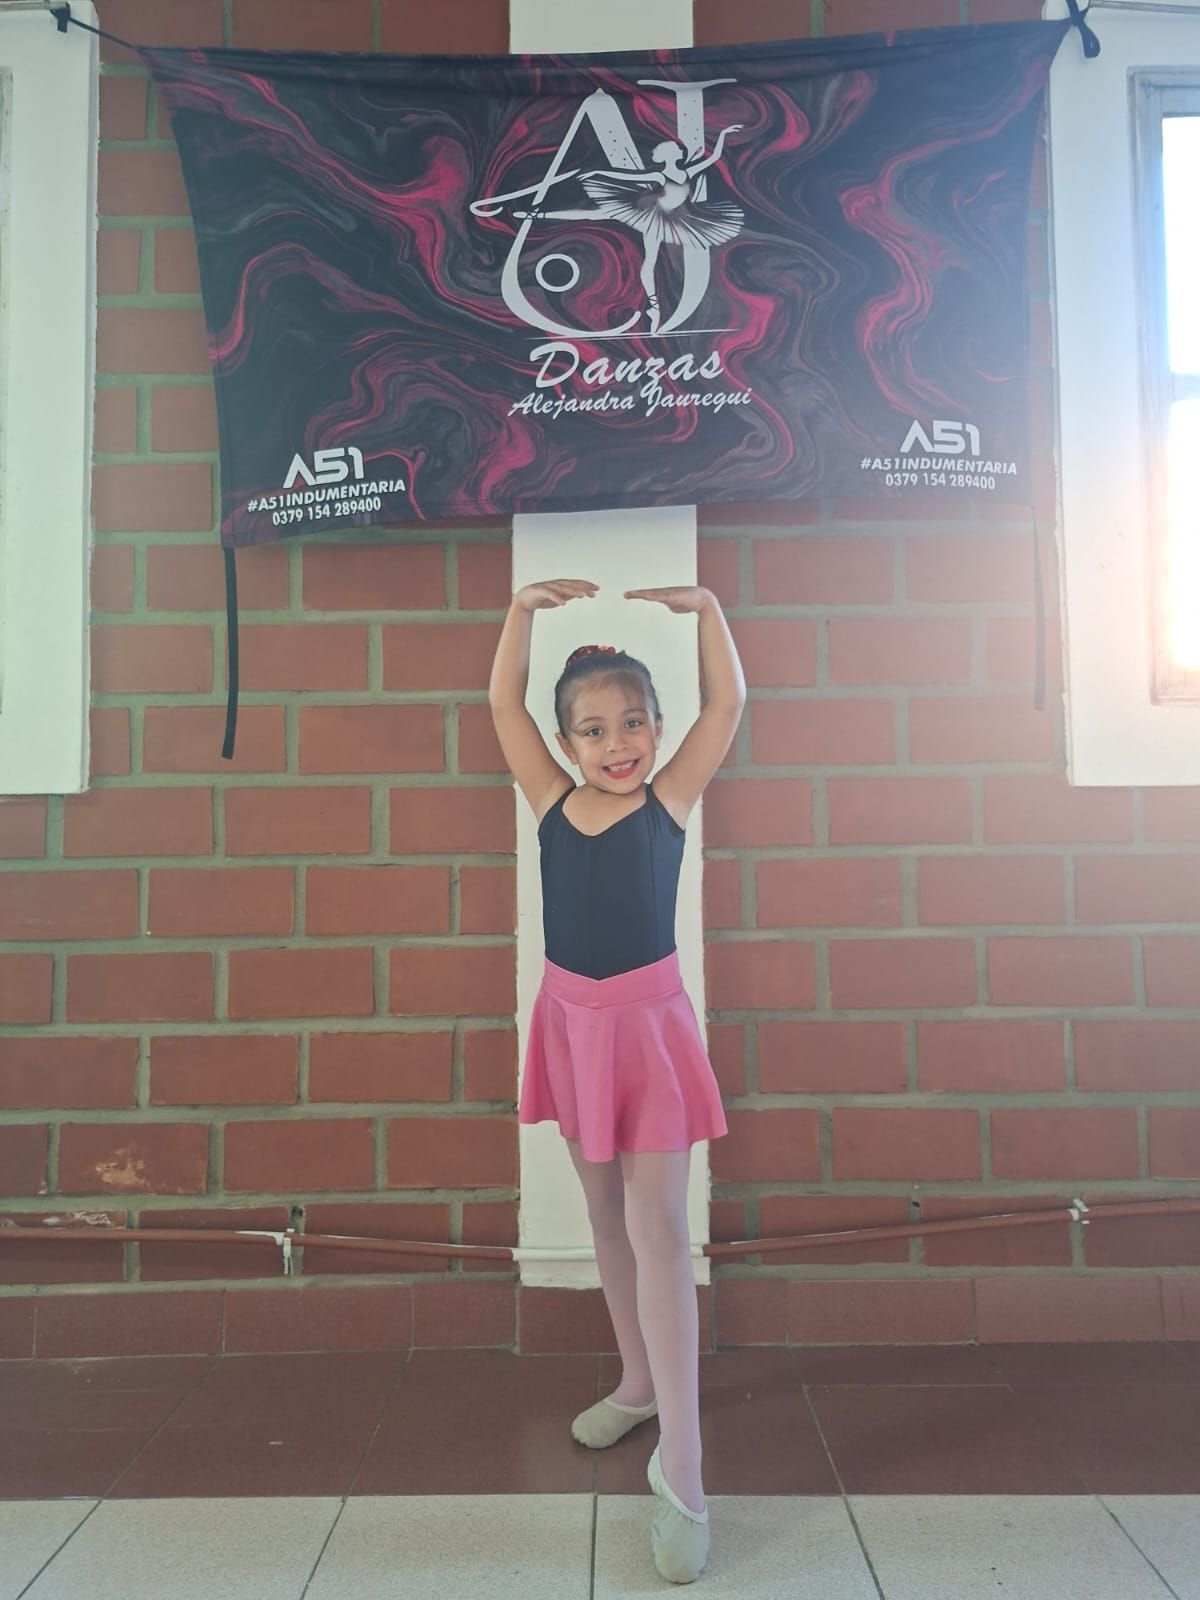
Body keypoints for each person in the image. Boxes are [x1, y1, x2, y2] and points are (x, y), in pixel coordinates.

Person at [488, 576, 747, 1584]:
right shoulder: (551, 804)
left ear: (657, 727)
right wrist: (521, 615)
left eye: (633, 721)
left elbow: (728, 704)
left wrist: (709, 614)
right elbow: (502, 705)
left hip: (647, 1035)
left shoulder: (667, 802)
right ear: (565, 744)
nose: (617, 742)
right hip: (571, 1026)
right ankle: (638, 1381)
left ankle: (683, 1465)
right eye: (592, 730)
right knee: (604, 1213)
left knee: (658, 1227)